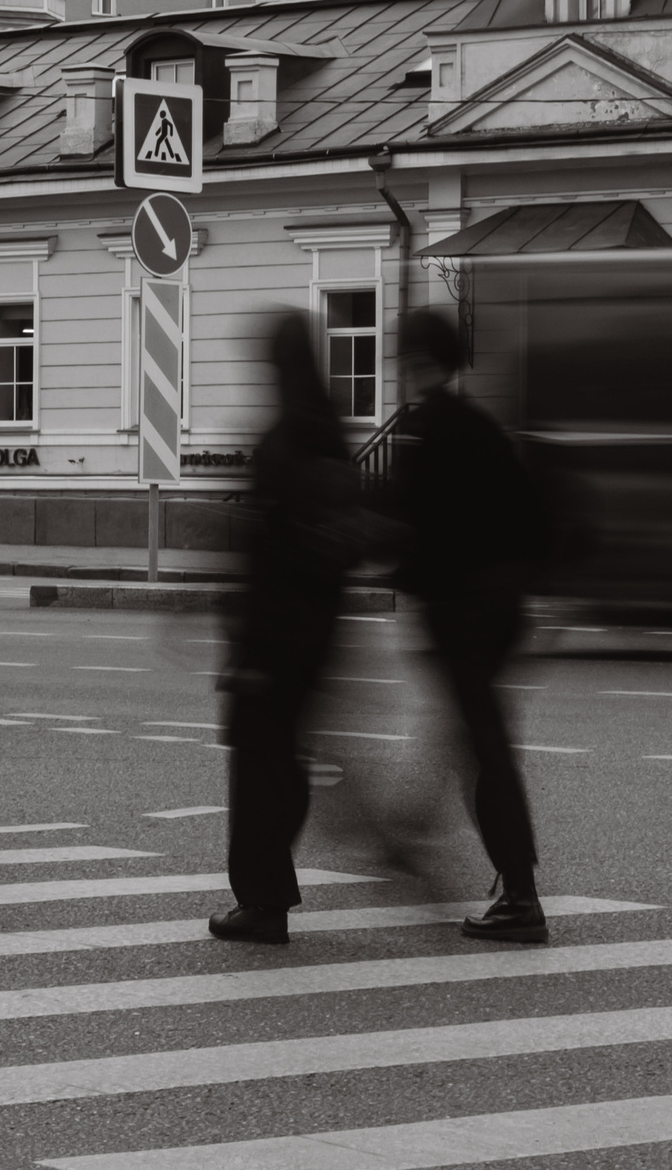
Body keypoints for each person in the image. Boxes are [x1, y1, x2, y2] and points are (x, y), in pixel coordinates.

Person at [388, 306, 552, 945]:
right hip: (498, 611)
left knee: (483, 752)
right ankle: (417, 832)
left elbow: (406, 529)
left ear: (415, 360)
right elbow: (534, 523)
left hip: (462, 615)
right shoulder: (482, 427)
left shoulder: (426, 430)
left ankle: (520, 892)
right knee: (467, 741)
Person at [209, 311, 361, 945]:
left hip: (271, 636)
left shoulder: (280, 445)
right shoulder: (331, 436)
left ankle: (262, 901)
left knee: (256, 770)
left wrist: (246, 646)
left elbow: (263, 556)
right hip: (319, 632)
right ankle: (274, 889)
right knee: (287, 764)